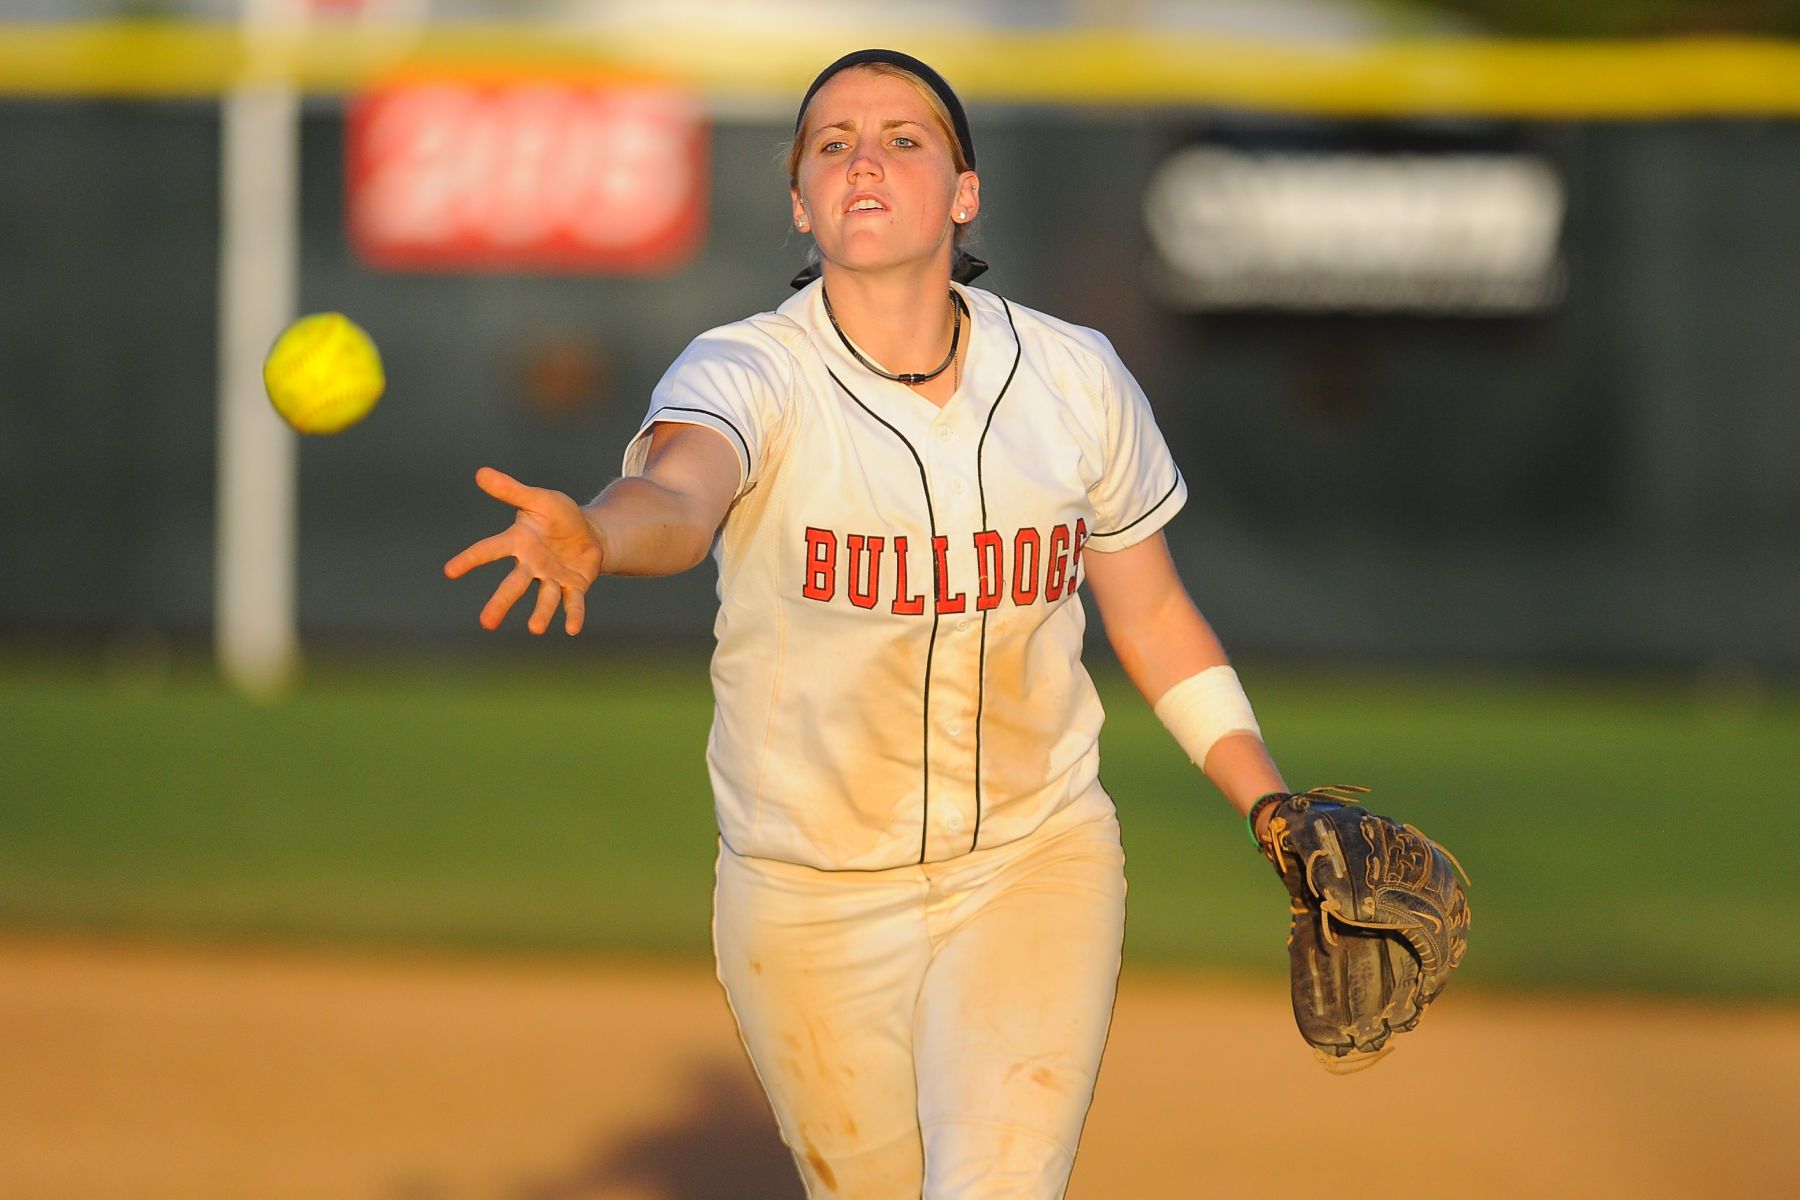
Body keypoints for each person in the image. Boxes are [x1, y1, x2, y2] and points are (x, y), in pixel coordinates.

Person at [445, 48, 1291, 1200]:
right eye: (832, 144)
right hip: (806, 897)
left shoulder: (1073, 378)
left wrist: (1269, 802)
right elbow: (682, 495)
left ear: (965, 190)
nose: (865, 161)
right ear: (800, 203)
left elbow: (1151, 610)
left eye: (904, 137)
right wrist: (601, 531)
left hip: (1032, 864)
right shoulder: (753, 370)